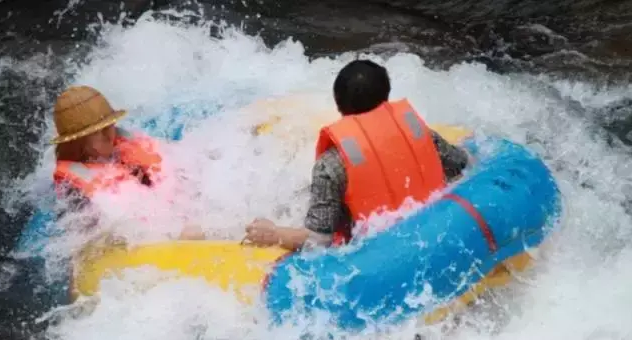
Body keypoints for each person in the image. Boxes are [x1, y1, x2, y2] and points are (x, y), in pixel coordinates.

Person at [244, 59, 471, 250]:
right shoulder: (419, 132)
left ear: (338, 105)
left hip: (375, 252)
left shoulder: (331, 164)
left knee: (297, 198)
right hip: (432, 229)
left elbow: (319, 238)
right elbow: (463, 165)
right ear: (386, 96)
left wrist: (274, 234)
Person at [50, 85, 203, 240]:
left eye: (109, 126)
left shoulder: (128, 146)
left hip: (169, 221)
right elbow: (85, 240)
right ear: (78, 141)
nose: (109, 135)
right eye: (98, 132)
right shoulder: (74, 191)